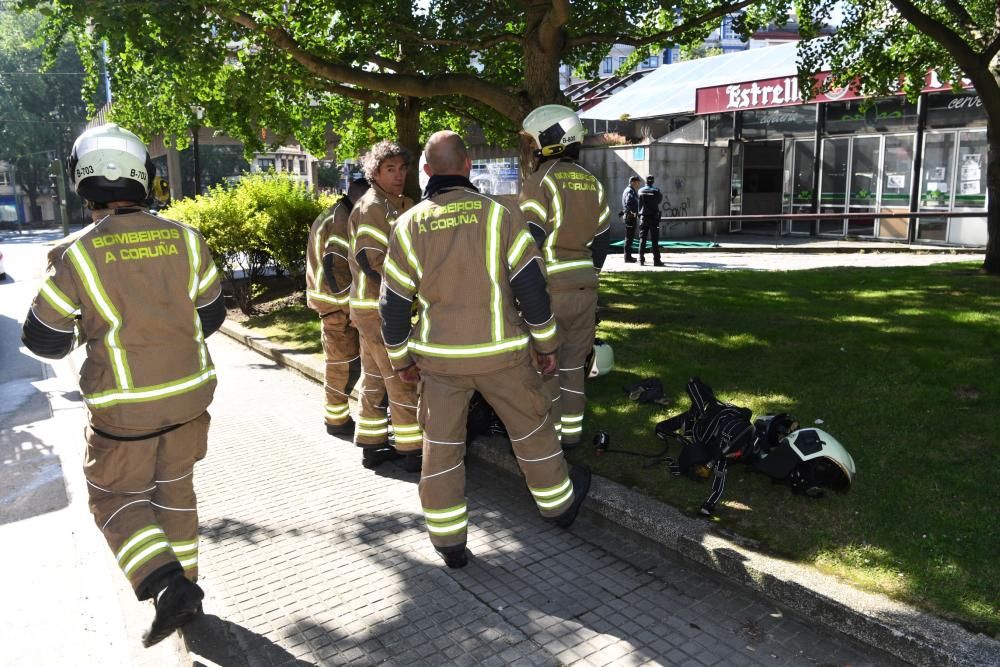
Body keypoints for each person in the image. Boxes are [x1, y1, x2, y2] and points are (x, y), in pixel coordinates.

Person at [20, 123, 225, 647]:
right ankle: (187, 590)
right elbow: (211, 316)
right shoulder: (186, 237)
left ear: (81, 182)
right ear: (144, 178)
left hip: (124, 412)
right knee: (176, 493)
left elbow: (44, 341)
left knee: (114, 499)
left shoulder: (76, 255)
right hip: (190, 398)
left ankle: (164, 585)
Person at [379, 131, 591, 568]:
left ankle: (449, 543)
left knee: (440, 448)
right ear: (469, 164)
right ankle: (559, 506)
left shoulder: (408, 225)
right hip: (504, 355)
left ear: (425, 171)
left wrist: (401, 359)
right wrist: (547, 343)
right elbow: (531, 288)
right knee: (532, 431)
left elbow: (393, 306)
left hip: (440, 362)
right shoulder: (500, 216)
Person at [519, 104, 610, 448]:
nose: (530, 149)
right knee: (574, 364)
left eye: (532, 141)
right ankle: (571, 435)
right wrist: (589, 274)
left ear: (549, 139)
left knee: (544, 365)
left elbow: (532, 238)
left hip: (549, 290)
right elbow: (602, 240)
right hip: (585, 288)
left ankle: (548, 438)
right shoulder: (592, 182)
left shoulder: (539, 181)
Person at [347, 140, 423, 472]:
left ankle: (372, 445)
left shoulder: (399, 203)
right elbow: (371, 259)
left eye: (402, 168)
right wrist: (411, 288)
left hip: (372, 308)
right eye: (390, 169)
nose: (398, 175)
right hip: (378, 308)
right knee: (401, 377)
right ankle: (413, 450)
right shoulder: (373, 206)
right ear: (375, 173)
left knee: (375, 377)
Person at [306, 177, 369, 436]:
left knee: (341, 363)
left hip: (328, 302)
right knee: (343, 364)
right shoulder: (343, 220)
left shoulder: (335, 213)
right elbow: (336, 268)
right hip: (335, 306)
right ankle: (337, 420)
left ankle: (337, 416)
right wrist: (350, 308)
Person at [637, 175, 664, 266]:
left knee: (642, 239)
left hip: (643, 217)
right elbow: (659, 201)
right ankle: (656, 260)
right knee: (654, 240)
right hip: (653, 217)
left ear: (645, 181)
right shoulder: (656, 191)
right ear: (653, 181)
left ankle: (641, 260)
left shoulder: (640, 191)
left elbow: (639, 203)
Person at [621, 176, 641, 263]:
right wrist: (632, 213)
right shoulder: (630, 191)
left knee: (629, 237)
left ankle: (628, 256)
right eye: (637, 182)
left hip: (629, 216)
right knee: (629, 238)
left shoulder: (629, 190)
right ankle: (627, 257)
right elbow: (628, 202)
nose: (638, 184)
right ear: (633, 182)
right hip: (630, 217)